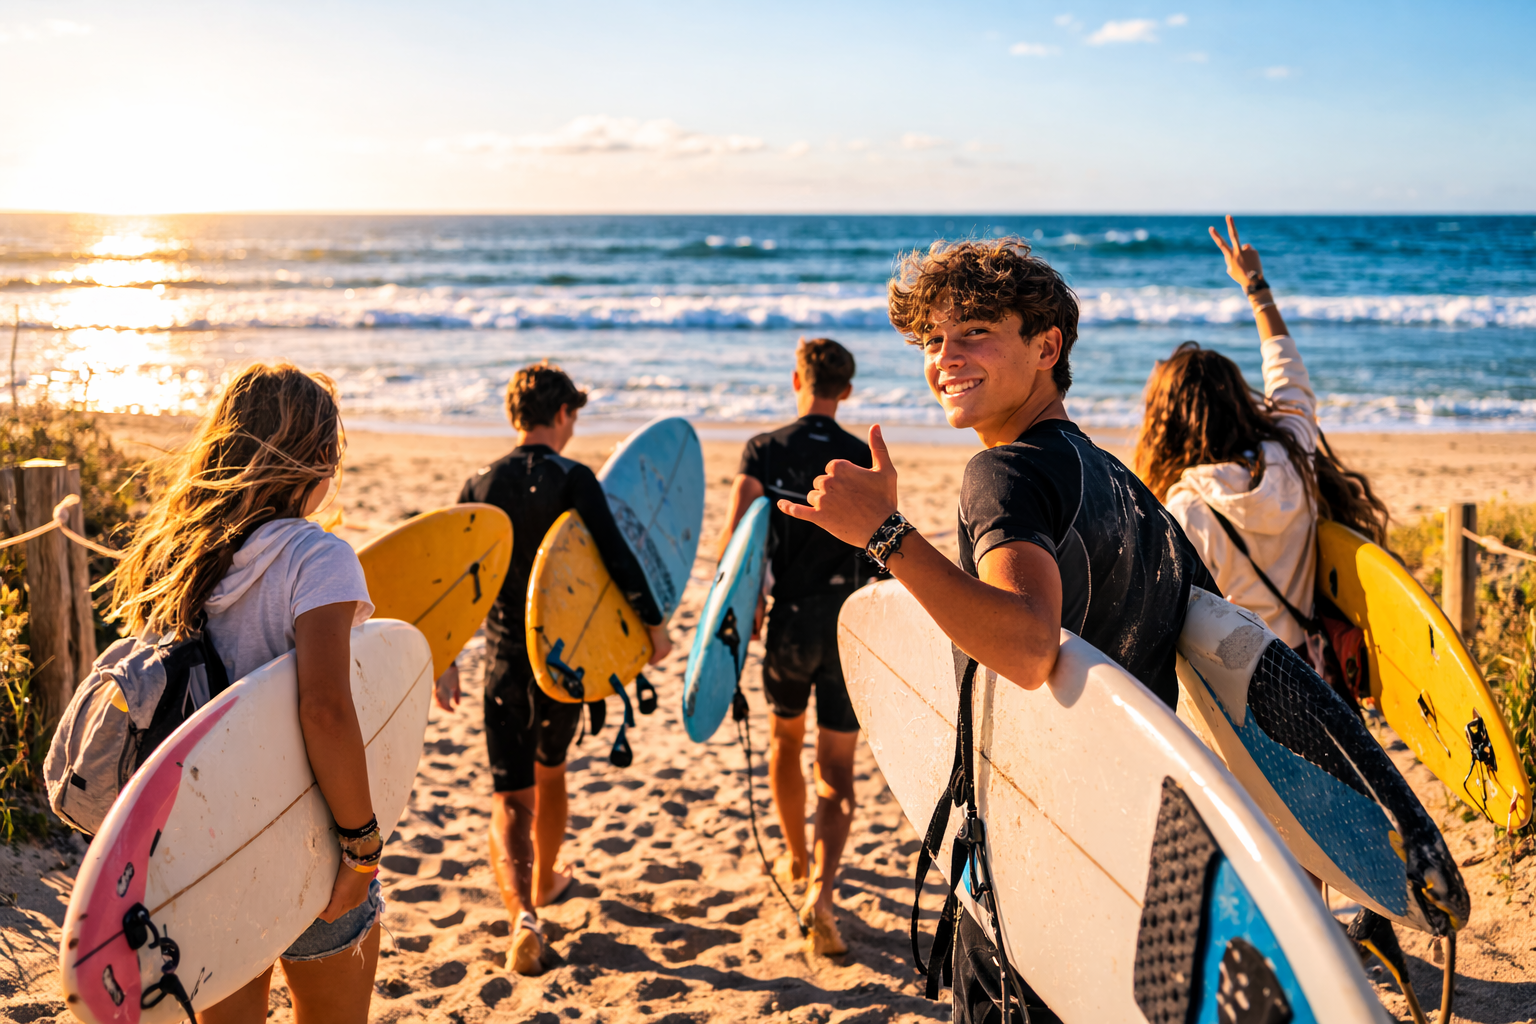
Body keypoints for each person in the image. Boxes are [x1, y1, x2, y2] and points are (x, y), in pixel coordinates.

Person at [778, 240, 1216, 1024]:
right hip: (1124, 857)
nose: (945, 357)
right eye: (932, 341)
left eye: (974, 330)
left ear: (1046, 346)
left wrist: (885, 536)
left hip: (1039, 873)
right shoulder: (1124, 485)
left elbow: (1026, 643)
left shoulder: (1005, 474)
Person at [109, 363, 382, 1024]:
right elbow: (324, 708)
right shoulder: (318, 559)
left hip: (203, 844)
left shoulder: (176, 554)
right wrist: (362, 850)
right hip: (304, 841)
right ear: (317, 460)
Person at [433, 360, 672, 976]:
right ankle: (542, 883)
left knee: (509, 798)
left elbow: (456, 583)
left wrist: (446, 657)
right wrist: (652, 624)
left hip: (505, 664)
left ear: (515, 416)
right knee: (553, 771)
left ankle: (523, 916)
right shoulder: (574, 478)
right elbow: (615, 557)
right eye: (573, 417)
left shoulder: (478, 485)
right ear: (562, 415)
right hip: (562, 668)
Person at [1133, 216, 1389, 677]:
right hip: (1314, 669)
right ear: (1239, 401)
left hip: (1248, 684)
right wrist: (1256, 286)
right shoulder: (1291, 454)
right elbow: (1286, 369)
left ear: (1164, 425)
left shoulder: (1186, 507)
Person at [721, 337, 874, 956]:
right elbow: (881, 549)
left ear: (797, 380)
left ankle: (793, 855)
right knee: (836, 768)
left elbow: (738, 546)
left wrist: (743, 610)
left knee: (786, 739)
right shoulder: (862, 456)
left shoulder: (763, 449)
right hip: (848, 627)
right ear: (848, 390)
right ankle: (823, 894)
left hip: (788, 625)